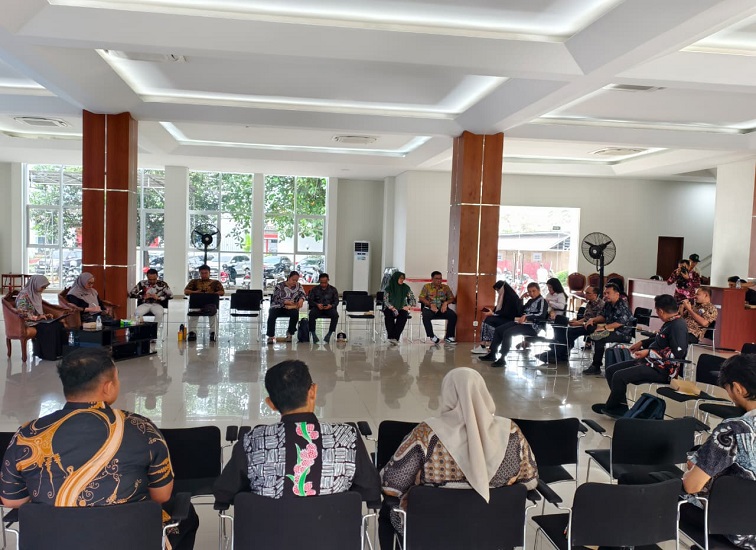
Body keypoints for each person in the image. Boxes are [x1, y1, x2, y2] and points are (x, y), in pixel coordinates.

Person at [0, 348, 198, 549]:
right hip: (127, 540)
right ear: (108, 387)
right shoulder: (141, 428)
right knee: (186, 516)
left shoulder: (27, 434)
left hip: (52, 542)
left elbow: (11, 501)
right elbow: (161, 496)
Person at [380, 368, 538, 540]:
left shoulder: (426, 433)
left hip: (431, 533)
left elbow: (391, 486)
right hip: (495, 532)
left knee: (387, 512)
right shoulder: (511, 432)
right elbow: (530, 482)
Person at [213, 359, 380, 503]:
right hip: (335, 530)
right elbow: (371, 489)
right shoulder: (347, 437)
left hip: (269, 531)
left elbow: (224, 492)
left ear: (271, 404)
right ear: (313, 391)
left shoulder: (253, 441)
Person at [682, 354, 756, 550]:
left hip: (739, 531)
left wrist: (696, 468)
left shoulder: (734, 430)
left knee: (669, 495)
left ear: (738, 388)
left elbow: (692, 486)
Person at [591, 294, 688, 417]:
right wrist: (642, 343)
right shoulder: (670, 322)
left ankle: (613, 407)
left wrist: (648, 352)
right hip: (651, 362)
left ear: (661, 311)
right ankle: (619, 406)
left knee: (619, 376)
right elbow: (660, 339)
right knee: (611, 370)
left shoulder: (678, 326)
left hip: (664, 370)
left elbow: (678, 354)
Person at [480, 282, 548, 367]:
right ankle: (492, 353)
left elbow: (541, 315)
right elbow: (521, 311)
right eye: (529, 291)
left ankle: (502, 358)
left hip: (532, 327)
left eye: (533, 291)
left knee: (508, 332)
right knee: (499, 330)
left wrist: (527, 317)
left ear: (539, 290)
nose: (531, 293)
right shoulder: (530, 301)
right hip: (522, 323)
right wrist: (521, 299)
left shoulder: (542, 301)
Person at [537, 285, 604, 364]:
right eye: (585, 292)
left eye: (588, 293)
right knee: (561, 323)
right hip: (585, 324)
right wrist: (577, 321)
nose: (585, 295)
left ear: (595, 295)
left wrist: (579, 323)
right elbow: (586, 318)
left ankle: (557, 354)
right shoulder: (589, 303)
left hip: (593, 327)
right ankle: (559, 353)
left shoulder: (600, 305)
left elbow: (596, 321)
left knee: (569, 332)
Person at [582, 282, 634, 375]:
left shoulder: (622, 305)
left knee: (599, 338)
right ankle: (593, 336)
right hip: (610, 330)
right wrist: (593, 319)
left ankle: (596, 366)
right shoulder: (608, 304)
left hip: (622, 333)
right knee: (590, 328)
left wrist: (604, 327)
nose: (605, 295)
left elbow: (620, 322)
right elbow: (603, 316)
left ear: (617, 294)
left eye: (608, 293)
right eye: (605, 293)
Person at [14, 275, 70, 361]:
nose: (43, 289)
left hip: (38, 320)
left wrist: (45, 315)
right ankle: (48, 354)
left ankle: (60, 353)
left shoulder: (36, 294)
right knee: (50, 328)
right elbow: (22, 313)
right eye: (42, 287)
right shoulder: (23, 296)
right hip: (28, 321)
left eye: (45, 287)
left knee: (59, 325)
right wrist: (37, 317)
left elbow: (37, 310)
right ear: (35, 284)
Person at [471, 281, 521, 354]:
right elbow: (500, 311)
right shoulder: (504, 296)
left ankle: (488, 345)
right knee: (487, 320)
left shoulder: (511, 297)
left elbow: (508, 313)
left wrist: (493, 313)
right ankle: (485, 345)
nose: (498, 292)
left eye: (498, 290)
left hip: (511, 320)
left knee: (488, 321)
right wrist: (492, 313)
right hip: (505, 318)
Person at [183, 264, 225, 342]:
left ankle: (213, 332)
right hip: (196, 304)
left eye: (206, 273)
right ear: (199, 273)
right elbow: (186, 291)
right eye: (202, 273)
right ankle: (192, 332)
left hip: (210, 305)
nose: (204, 275)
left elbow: (222, 292)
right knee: (193, 314)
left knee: (213, 315)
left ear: (209, 273)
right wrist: (195, 292)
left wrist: (214, 294)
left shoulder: (215, 282)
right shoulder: (194, 282)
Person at [266, 271, 305, 344]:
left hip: (290, 307)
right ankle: (270, 336)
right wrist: (285, 302)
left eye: (296, 280)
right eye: (293, 280)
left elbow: (302, 294)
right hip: (278, 306)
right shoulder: (279, 286)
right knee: (272, 313)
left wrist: (301, 299)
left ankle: (290, 333)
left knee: (295, 313)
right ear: (289, 278)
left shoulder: (299, 286)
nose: (294, 282)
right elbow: (275, 298)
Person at [418, 271, 457, 344]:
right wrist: (430, 305)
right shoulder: (427, 287)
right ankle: (432, 336)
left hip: (442, 309)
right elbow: (421, 297)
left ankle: (449, 336)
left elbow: (452, 298)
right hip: (430, 309)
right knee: (425, 316)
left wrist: (446, 303)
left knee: (453, 315)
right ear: (432, 279)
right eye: (437, 278)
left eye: (440, 278)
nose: (439, 280)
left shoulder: (445, 287)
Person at [383, 271, 416, 346]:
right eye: (400, 278)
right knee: (388, 316)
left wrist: (408, 306)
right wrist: (391, 307)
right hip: (390, 307)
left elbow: (413, 299)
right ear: (395, 278)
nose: (402, 280)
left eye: (403, 278)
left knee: (403, 316)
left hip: (402, 307)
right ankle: (391, 337)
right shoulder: (388, 288)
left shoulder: (406, 288)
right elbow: (385, 300)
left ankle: (395, 337)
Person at [307, 272, 339, 343]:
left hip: (329, 308)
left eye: (325, 282)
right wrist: (317, 304)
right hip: (317, 308)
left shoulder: (333, 289)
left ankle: (329, 334)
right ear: (319, 281)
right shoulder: (314, 289)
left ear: (328, 280)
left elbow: (336, 301)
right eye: (322, 282)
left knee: (335, 315)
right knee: (311, 314)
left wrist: (331, 305)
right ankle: (313, 334)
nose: (323, 284)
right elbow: (310, 300)